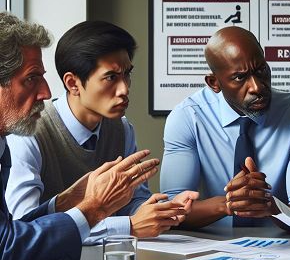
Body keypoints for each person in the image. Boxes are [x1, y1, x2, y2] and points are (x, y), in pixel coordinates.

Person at [0, 11, 160, 260]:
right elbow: (8, 247)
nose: (47, 92)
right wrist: (94, 209)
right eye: (31, 78)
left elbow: (13, 231)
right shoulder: (27, 135)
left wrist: (65, 201)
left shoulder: (5, 142)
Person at [6, 20, 197, 242]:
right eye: (111, 77)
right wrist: (128, 227)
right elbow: (24, 225)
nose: (124, 88)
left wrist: (162, 210)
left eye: (127, 74)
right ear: (73, 83)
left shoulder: (122, 129)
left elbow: (133, 202)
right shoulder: (29, 134)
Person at [160, 26, 290, 229]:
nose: (257, 87)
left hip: (281, 248)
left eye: (261, 71)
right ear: (214, 83)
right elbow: (171, 211)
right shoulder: (188, 117)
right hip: (207, 248)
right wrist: (228, 204)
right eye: (240, 77)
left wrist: (270, 206)